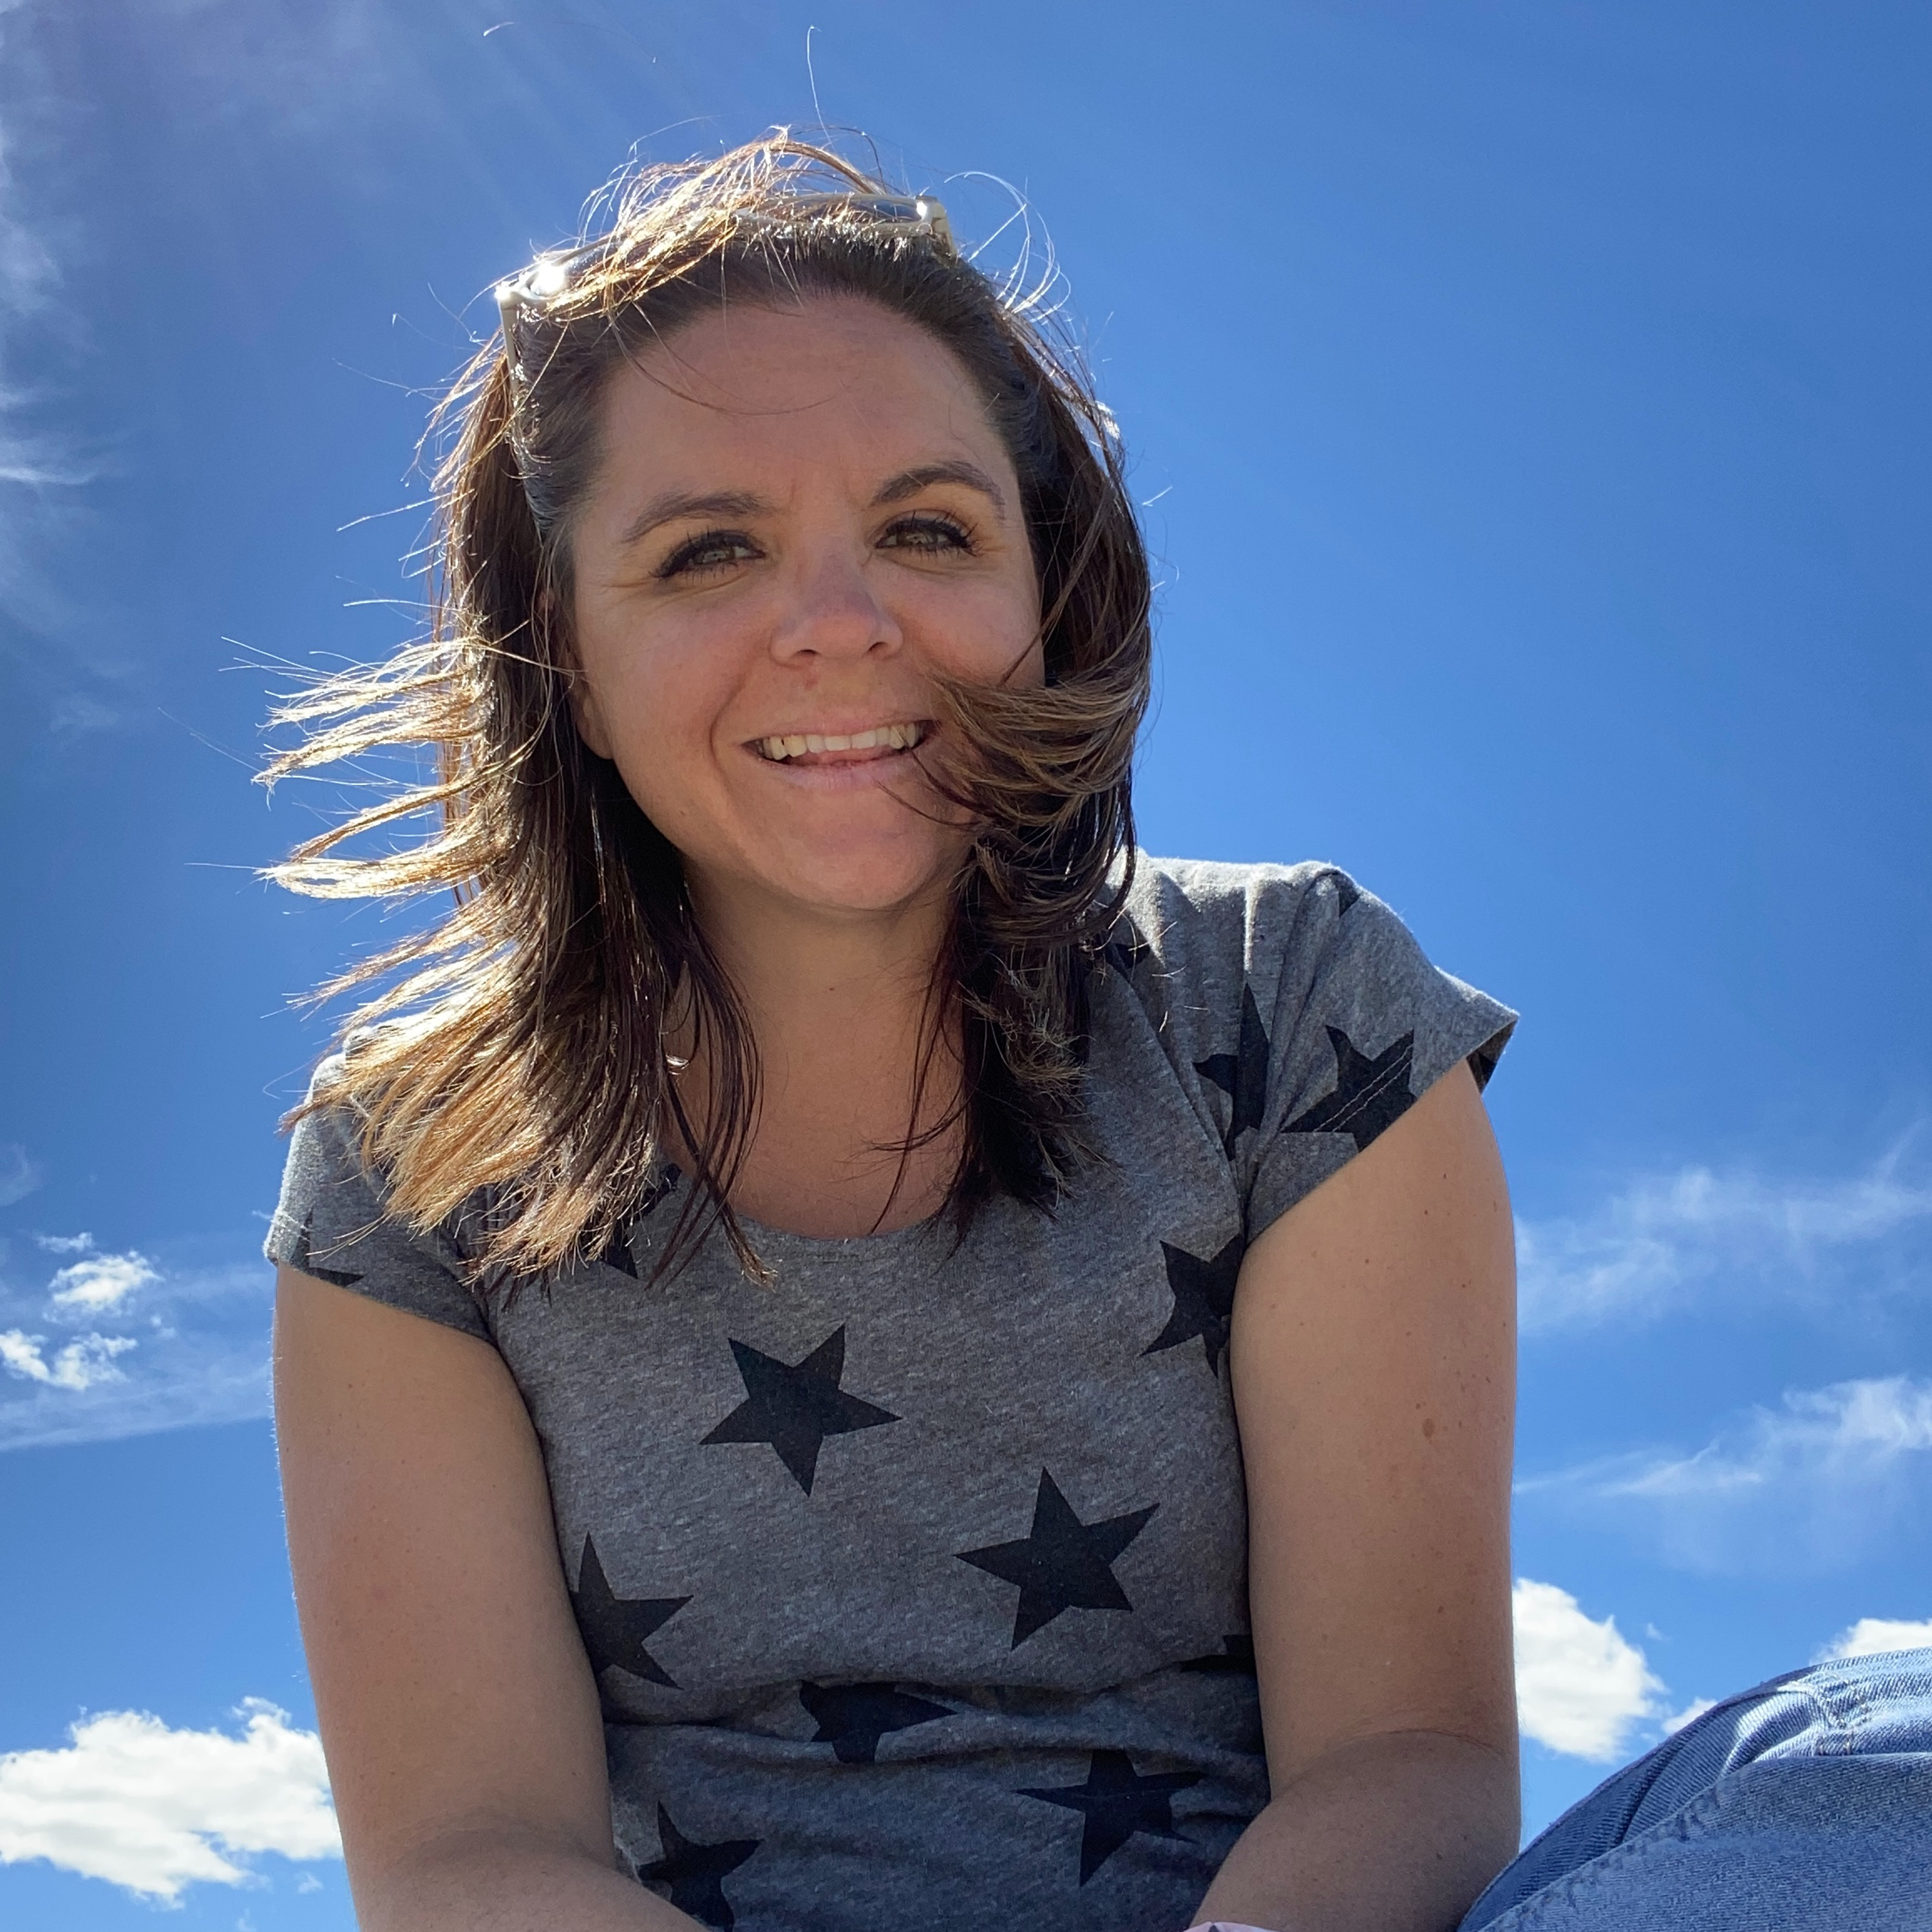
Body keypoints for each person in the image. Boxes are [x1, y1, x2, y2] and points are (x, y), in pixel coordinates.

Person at [263, 137, 1931, 1932]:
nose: (840, 625)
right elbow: (470, 1861)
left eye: (927, 531)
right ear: (569, 665)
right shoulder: (399, 1170)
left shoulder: (1295, 996)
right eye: (708, 551)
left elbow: (1406, 1752)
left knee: (1884, 1747)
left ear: (1045, 600)